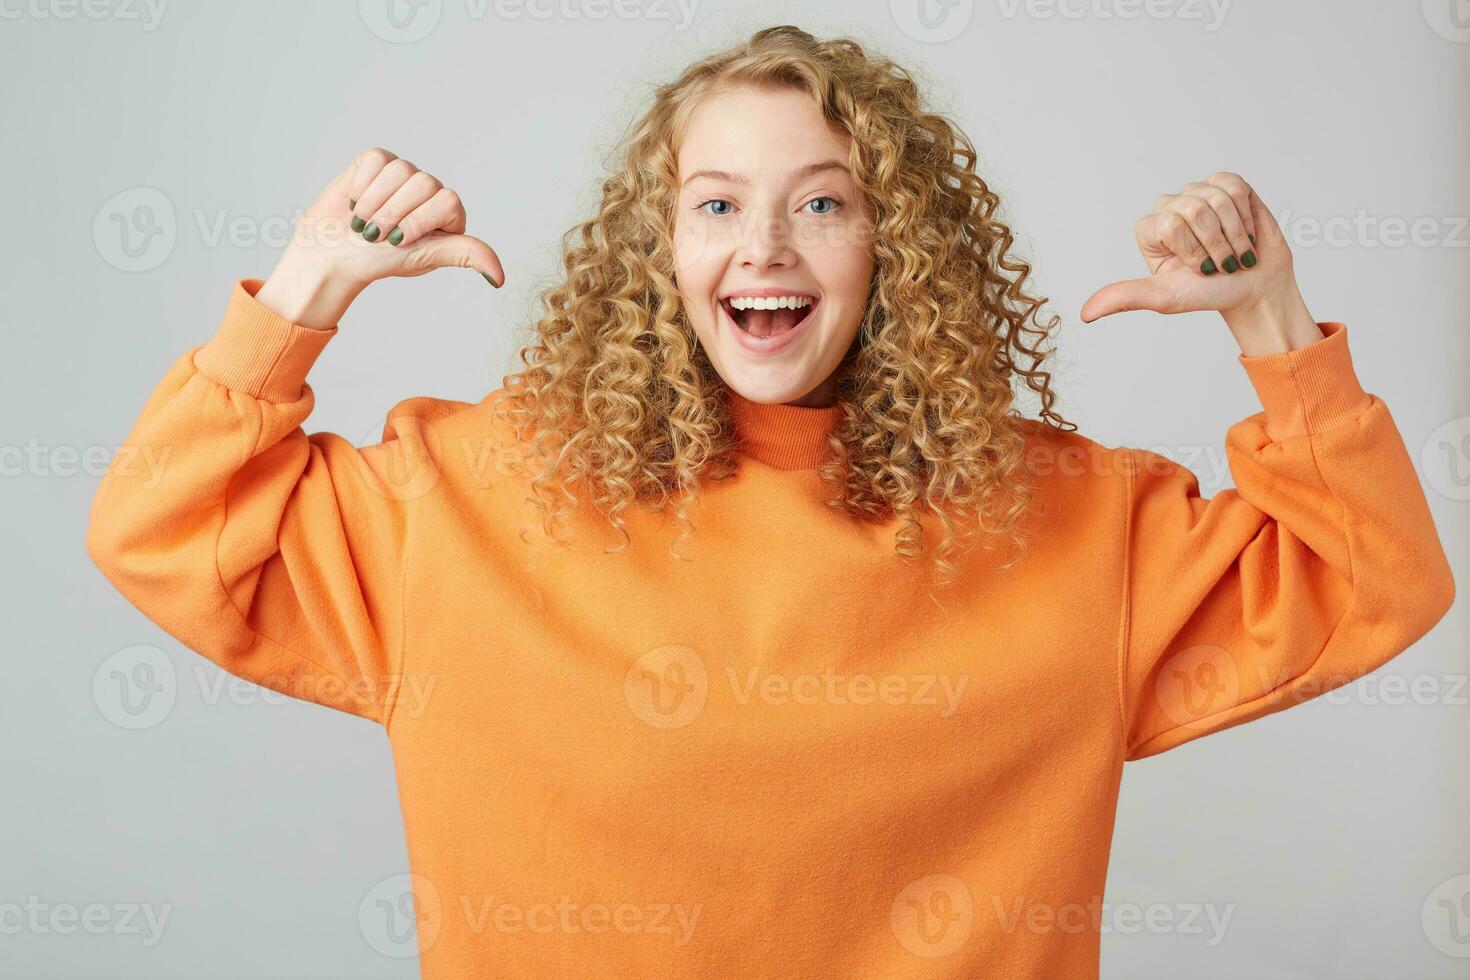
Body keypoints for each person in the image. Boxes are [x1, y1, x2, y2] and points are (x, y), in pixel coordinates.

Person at [85, 24, 1454, 979]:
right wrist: (309, 288)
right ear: (658, 248)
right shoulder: (466, 497)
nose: (762, 247)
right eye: (715, 203)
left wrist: (1272, 321)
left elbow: (1375, 579)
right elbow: (157, 527)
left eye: (822, 205)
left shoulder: (1070, 520)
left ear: (894, 248)